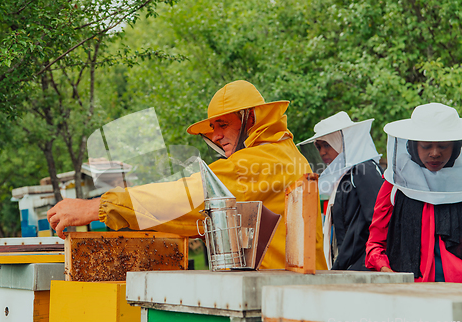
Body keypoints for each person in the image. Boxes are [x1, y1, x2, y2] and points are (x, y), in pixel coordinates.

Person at [47, 80, 327, 270]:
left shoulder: (260, 160)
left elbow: (187, 198)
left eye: (222, 124)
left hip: (278, 296)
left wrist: (98, 207)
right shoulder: (286, 153)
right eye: (212, 129)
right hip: (290, 288)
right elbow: (197, 219)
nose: (216, 136)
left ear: (249, 119)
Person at [366, 103, 462, 282]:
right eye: (426, 146)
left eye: (443, 146)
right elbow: (375, 242)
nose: (435, 153)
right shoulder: (395, 184)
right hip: (411, 289)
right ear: (413, 146)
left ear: (455, 147)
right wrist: (383, 267)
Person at [298, 112, 383, 270]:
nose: (322, 152)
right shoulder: (345, 176)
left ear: (344, 142)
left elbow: (379, 222)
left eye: (327, 145)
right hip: (350, 266)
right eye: (319, 147)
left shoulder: (364, 170)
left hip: (364, 268)